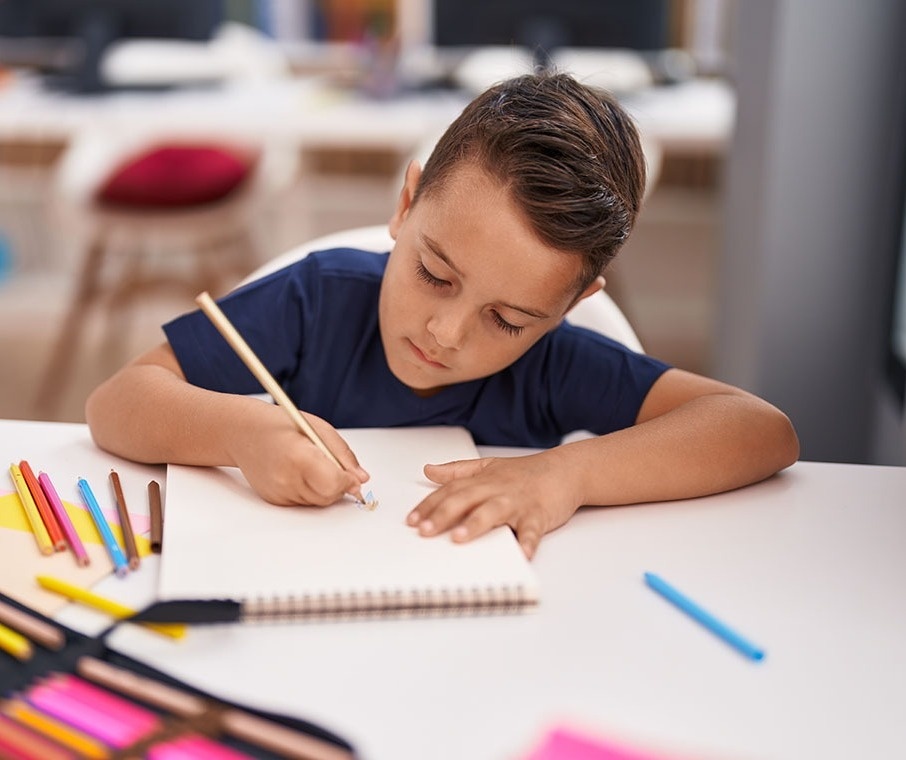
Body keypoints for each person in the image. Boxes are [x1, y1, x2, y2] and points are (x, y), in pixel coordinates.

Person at [85, 72, 799, 560]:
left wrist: (566, 476)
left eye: (509, 320)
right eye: (434, 274)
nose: (445, 333)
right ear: (404, 206)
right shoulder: (315, 301)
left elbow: (761, 430)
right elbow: (116, 404)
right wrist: (239, 432)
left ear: (575, 306)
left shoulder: (555, 366)